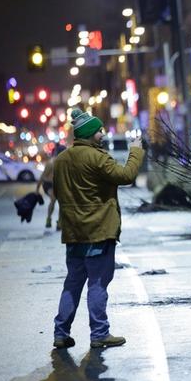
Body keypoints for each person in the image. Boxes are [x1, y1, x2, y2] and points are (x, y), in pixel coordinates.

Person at [52, 108, 144, 349]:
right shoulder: (97, 157)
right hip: (98, 231)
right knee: (98, 282)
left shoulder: (61, 160)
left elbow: (58, 192)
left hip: (73, 232)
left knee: (72, 283)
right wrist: (135, 151)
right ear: (90, 133)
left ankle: (60, 333)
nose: (103, 134)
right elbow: (126, 176)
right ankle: (99, 334)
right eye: (99, 130)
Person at [37, 144, 66, 230]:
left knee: (63, 202)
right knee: (53, 199)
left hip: (58, 184)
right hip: (48, 185)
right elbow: (42, 176)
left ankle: (60, 222)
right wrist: (37, 189)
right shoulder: (51, 163)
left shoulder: (65, 162)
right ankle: (48, 218)